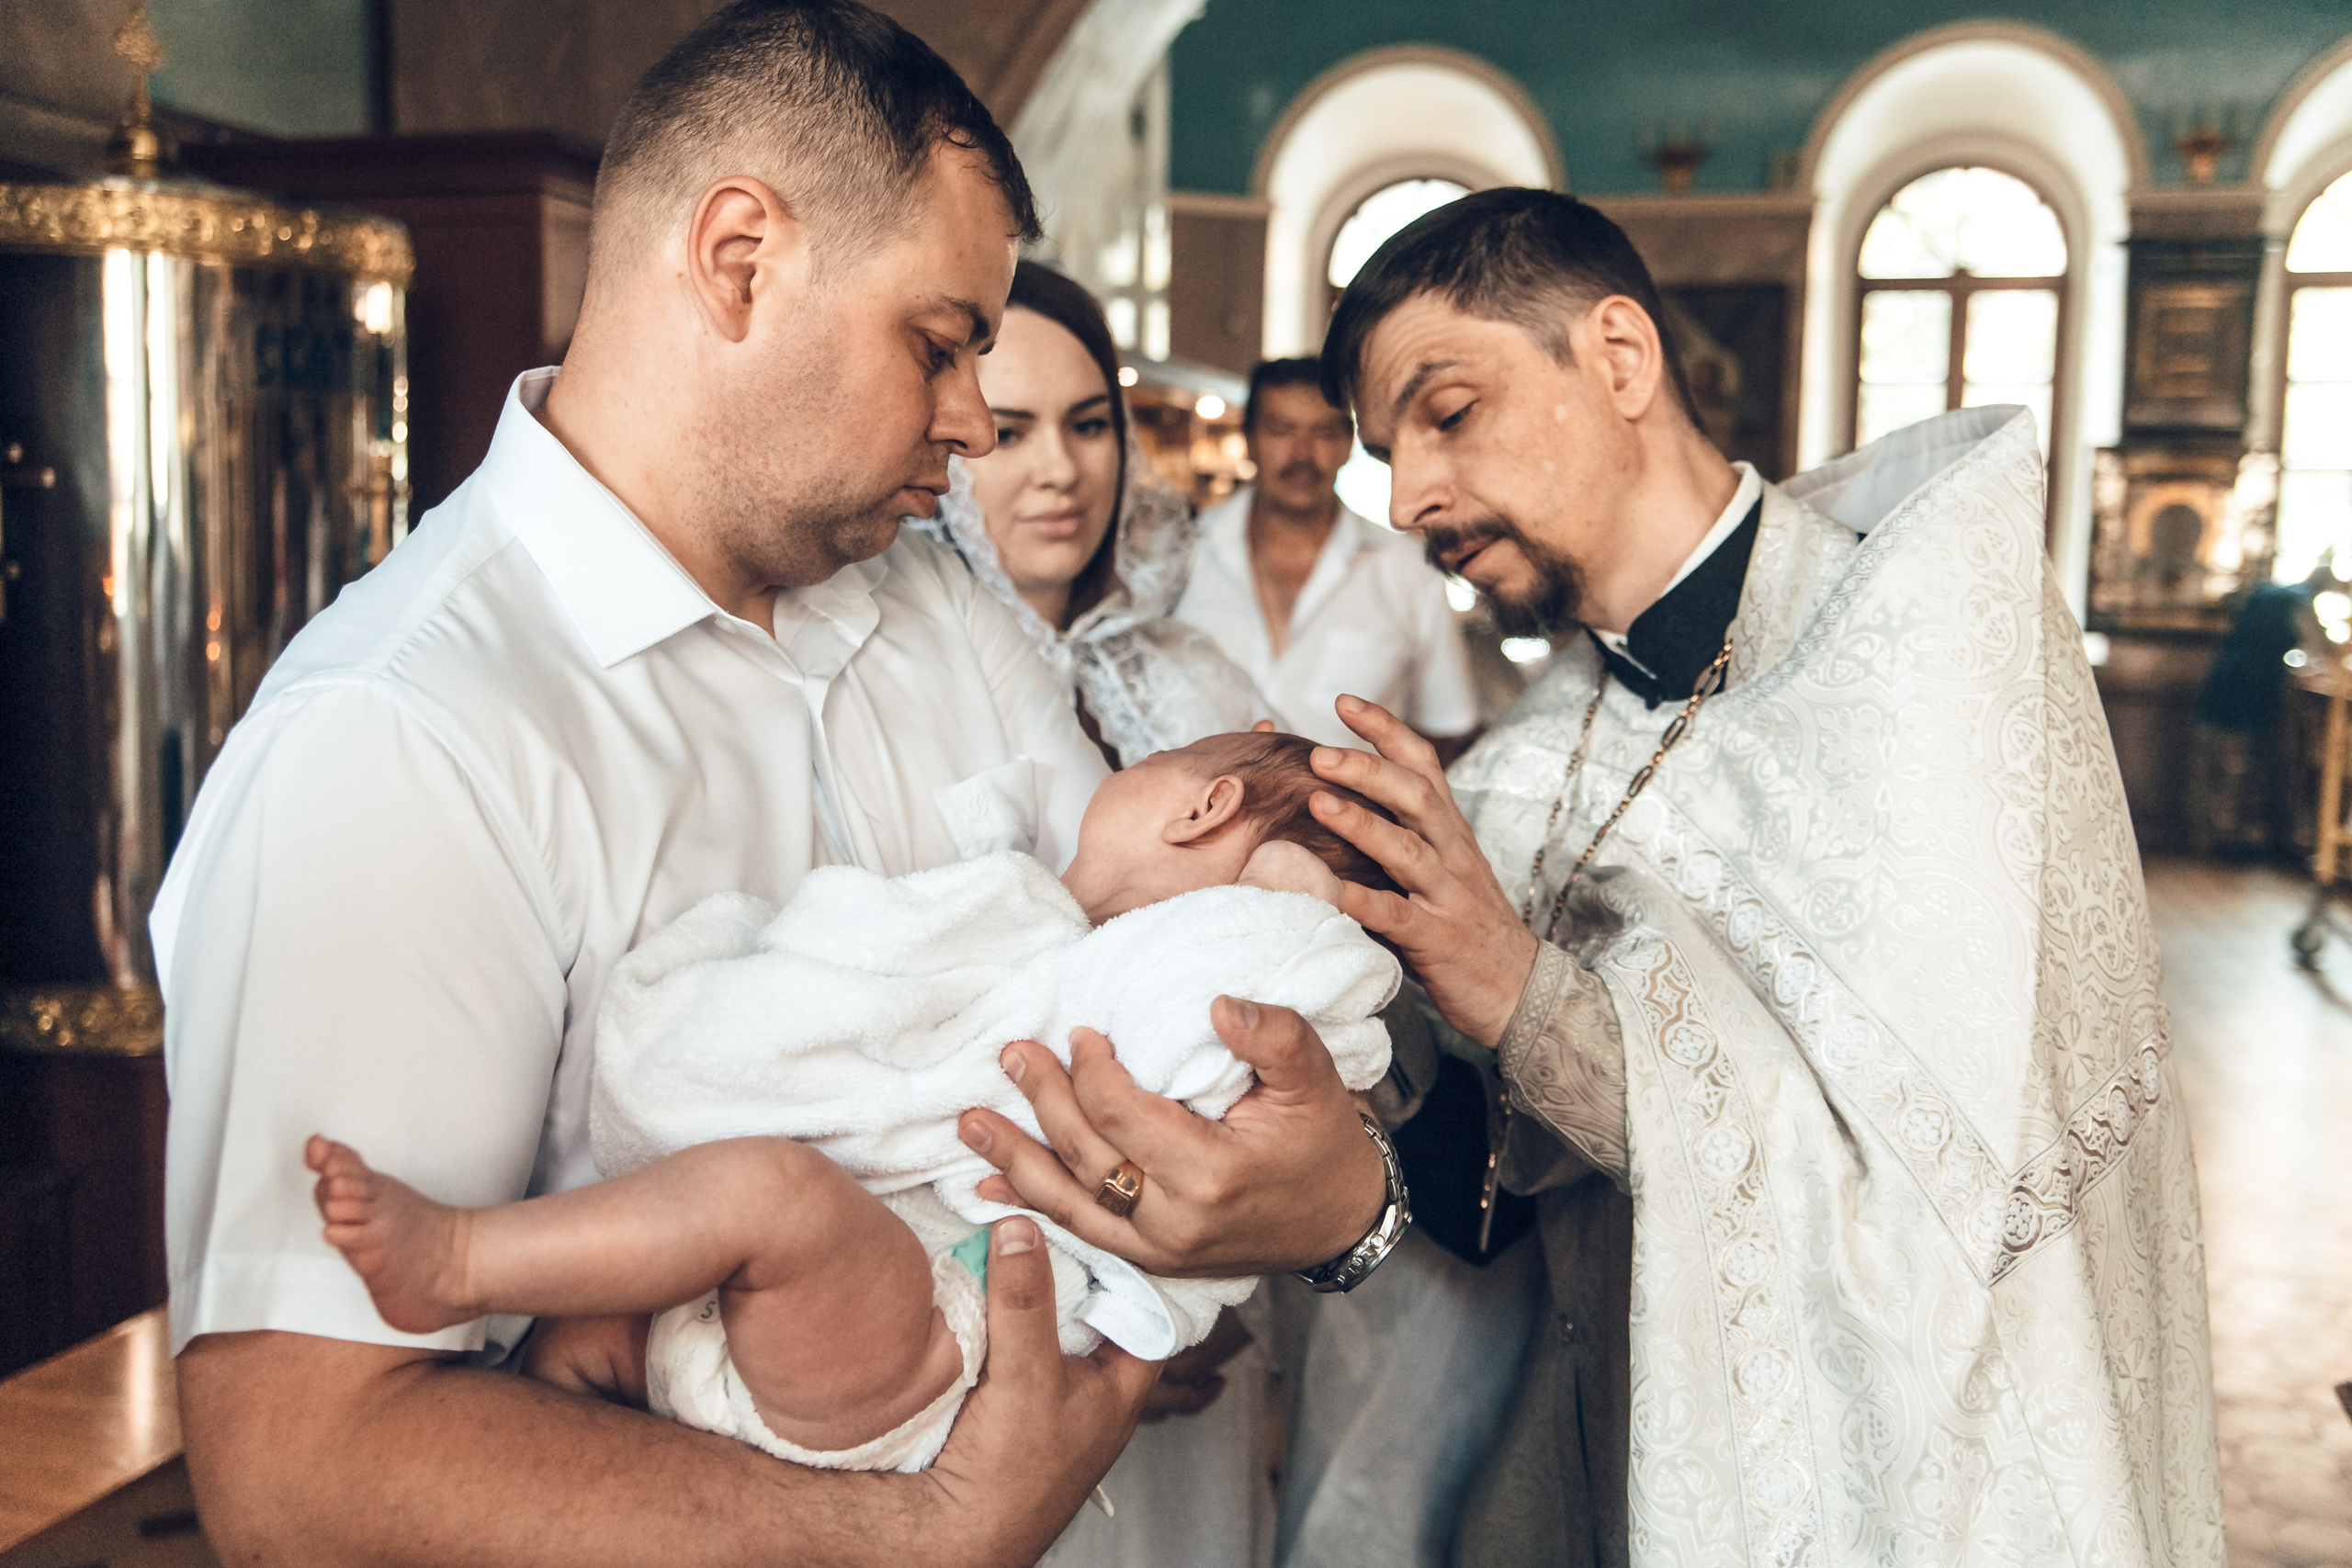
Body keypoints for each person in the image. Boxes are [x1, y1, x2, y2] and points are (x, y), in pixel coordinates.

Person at [151, 6, 1400, 1564]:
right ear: (739, 259)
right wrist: (917, 1531)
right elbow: (299, 1467)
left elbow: (1132, 980)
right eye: (939, 343)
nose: (969, 419)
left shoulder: (937, 604)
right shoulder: (405, 738)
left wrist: (1333, 1197)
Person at [1293, 188, 2223, 1565]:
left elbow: (1943, 1173)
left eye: (1449, 412)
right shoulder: (1526, 758)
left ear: (1618, 358)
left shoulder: (1916, 662)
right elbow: (1497, 1191)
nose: (1409, 496)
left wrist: (1518, 988)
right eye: (1386, 454)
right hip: (1613, 1444)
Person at [299, 732, 1404, 1480]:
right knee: (599, 1326)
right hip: (766, 1352)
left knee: (771, 1193)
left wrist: (1294, 927)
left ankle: (457, 1260)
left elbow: (1265, 1042)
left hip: (923, 1338)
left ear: (1204, 803)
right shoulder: (1064, 945)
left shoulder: (1111, 964)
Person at [935, 260, 1273, 769]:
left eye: (1089, 425)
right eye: (1008, 434)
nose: (1061, 470)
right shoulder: (898, 683)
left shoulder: (1188, 679)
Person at [1175, 359, 1478, 754]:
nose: (1302, 453)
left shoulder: (1407, 570)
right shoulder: (1181, 554)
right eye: (1281, 430)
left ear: (1349, 442)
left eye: (1323, 432)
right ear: (1249, 439)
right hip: (1186, 812)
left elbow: (1445, 732)